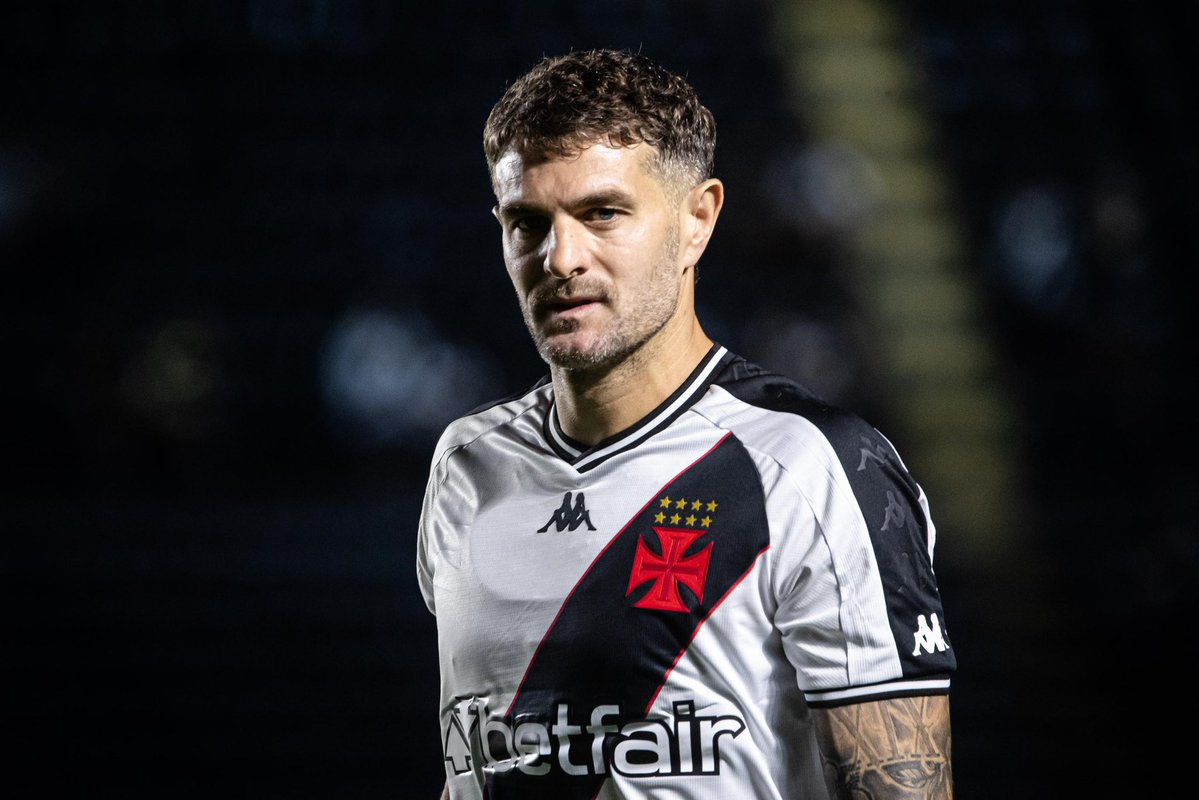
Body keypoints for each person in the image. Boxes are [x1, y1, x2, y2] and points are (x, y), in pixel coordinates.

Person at [417, 48, 956, 799]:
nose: (560, 257)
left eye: (602, 214)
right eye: (527, 222)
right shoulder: (467, 466)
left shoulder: (811, 466)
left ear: (697, 219)